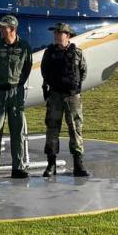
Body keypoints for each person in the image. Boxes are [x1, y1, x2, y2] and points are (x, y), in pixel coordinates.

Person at [0, 15, 33, 180]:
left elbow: (27, 68)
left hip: (16, 92)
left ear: (12, 29)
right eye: (1, 27)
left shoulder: (24, 47)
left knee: (17, 130)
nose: (1, 29)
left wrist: (16, 84)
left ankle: (17, 167)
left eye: (4, 27)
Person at [40, 22, 89, 177]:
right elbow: (44, 71)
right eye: (55, 33)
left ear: (67, 35)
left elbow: (83, 72)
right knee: (52, 128)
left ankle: (78, 164)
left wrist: (74, 86)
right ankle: (51, 164)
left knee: (75, 128)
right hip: (55, 96)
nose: (56, 36)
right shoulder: (49, 53)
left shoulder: (77, 53)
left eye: (60, 33)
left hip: (72, 96)